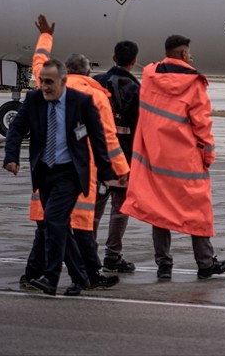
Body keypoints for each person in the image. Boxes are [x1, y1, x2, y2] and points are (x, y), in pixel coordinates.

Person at [3, 28, 119, 296]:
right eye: (41, 82)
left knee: (54, 221)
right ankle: (81, 278)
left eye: (49, 83)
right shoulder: (35, 97)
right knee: (61, 227)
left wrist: (107, 172)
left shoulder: (85, 101)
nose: (44, 86)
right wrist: (11, 157)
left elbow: (102, 139)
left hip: (71, 173)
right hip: (44, 173)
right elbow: (16, 128)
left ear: (64, 80)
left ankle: (50, 278)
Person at [121, 35, 225, 280]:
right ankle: (204, 263)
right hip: (185, 160)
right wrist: (208, 154)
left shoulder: (149, 77)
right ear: (182, 55)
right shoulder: (194, 83)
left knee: (160, 210)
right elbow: (202, 124)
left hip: (155, 157)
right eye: (189, 53)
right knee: (198, 211)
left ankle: (164, 264)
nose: (191, 57)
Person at [92, 39, 141, 273]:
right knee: (119, 210)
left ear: (113, 58)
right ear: (133, 62)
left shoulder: (96, 83)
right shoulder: (135, 88)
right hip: (123, 160)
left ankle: (87, 251)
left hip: (97, 159)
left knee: (94, 207)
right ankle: (113, 255)